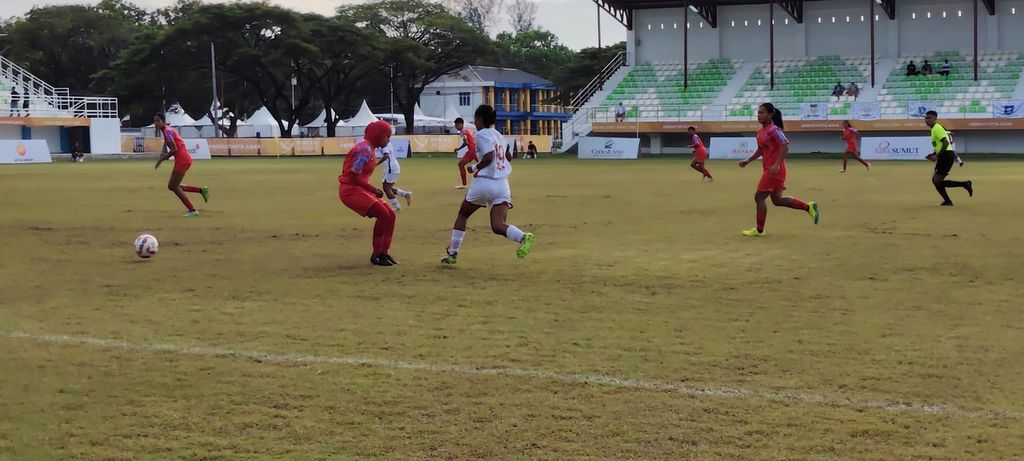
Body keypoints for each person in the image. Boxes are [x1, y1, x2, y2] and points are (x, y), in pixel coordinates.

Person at [441, 104, 535, 264]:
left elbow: (490, 155)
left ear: (479, 119)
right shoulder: (499, 135)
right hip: (502, 185)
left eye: (475, 118)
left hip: (484, 183)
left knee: (463, 214)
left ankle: (453, 253)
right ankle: (523, 237)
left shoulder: (481, 135)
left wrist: (474, 167)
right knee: (498, 225)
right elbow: (508, 157)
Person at [737, 103, 819, 237]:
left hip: (774, 170)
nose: (759, 115)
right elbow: (761, 150)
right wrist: (748, 160)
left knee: (759, 197)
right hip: (771, 169)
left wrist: (777, 164)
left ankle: (759, 230)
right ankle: (808, 207)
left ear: (770, 115)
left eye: (762, 112)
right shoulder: (760, 132)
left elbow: (785, 145)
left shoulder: (774, 130)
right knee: (777, 200)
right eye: (758, 112)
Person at [339, 120, 398, 266]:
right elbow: (352, 177)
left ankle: (384, 252)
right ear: (379, 135)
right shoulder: (364, 149)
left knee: (390, 215)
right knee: (384, 215)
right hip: (350, 190)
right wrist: (373, 189)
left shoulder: (370, 148)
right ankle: (377, 254)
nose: (388, 140)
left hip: (359, 188)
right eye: (387, 136)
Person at [153, 113, 209, 217]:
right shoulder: (167, 130)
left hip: (182, 159)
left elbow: (174, 149)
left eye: (158, 121)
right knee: (174, 186)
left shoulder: (167, 131)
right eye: (154, 121)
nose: (155, 123)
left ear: (163, 121)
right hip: (184, 159)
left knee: (173, 186)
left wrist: (162, 159)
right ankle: (201, 190)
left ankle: (192, 210)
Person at [924, 111, 972, 206]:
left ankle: (964, 185)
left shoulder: (937, 128)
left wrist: (937, 156)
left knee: (937, 180)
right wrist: (933, 154)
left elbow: (945, 143)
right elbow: (939, 145)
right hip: (944, 155)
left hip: (946, 155)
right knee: (936, 180)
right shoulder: (934, 129)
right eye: (926, 118)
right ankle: (948, 200)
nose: (927, 120)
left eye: (929, 118)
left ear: (935, 118)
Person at [376, 132, 413, 212]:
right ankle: (406, 194)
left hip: (391, 168)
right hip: (393, 168)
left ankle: (397, 207)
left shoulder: (385, 145)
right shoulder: (387, 144)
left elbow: (386, 155)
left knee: (386, 188)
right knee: (388, 188)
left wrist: (376, 164)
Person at [453, 117, 477, 189]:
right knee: (461, 164)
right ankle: (464, 184)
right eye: (455, 125)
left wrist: (458, 149)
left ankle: (464, 184)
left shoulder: (462, 132)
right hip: (474, 150)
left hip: (473, 151)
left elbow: (466, 143)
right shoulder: (468, 130)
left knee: (484, 166)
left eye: (457, 125)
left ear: (461, 124)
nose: (456, 127)